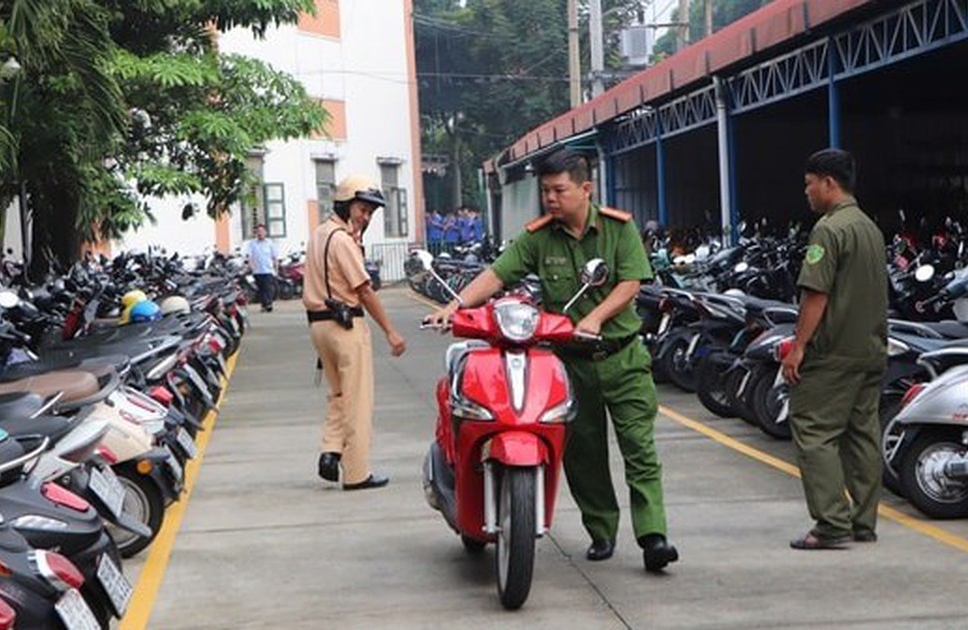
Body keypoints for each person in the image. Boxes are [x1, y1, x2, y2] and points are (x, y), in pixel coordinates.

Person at [427, 149, 679, 572]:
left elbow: (630, 282)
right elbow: (498, 273)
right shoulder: (539, 237)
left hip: (623, 358)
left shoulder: (619, 229)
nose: (550, 198)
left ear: (586, 188)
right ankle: (602, 532)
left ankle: (653, 536)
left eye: (559, 190)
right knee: (583, 454)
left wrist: (596, 318)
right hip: (570, 363)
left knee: (639, 448)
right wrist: (455, 306)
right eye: (545, 191)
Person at [781, 148, 888, 550]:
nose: (806, 193)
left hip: (834, 353)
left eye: (809, 185)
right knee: (862, 434)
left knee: (814, 430)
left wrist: (798, 347)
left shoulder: (828, 230)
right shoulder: (869, 228)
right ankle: (863, 521)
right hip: (870, 351)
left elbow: (816, 296)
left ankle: (831, 524)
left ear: (829, 183)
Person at [303, 174, 407, 490]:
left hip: (318, 325)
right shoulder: (343, 241)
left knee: (338, 393)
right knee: (359, 400)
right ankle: (357, 472)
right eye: (362, 209)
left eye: (370, 212)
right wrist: (391, 331)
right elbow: (364, 291)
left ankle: (330, 451)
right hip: (345, 325)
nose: (366, 217)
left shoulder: (319, 234)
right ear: (346, 205)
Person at [246, 224, 279, 312]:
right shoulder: (252, 243)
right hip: (257, 271)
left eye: (262, 231)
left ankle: (268, 304)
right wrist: (251, 266)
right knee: (261, 289)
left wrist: (276, 269)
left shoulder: (270, 243)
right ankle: (264, 305)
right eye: (258, 232)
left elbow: (274, 257)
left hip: (268, 270)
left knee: (268, 288)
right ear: (256, 233)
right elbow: (249, 256)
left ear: (265, 232)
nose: (260, 233)